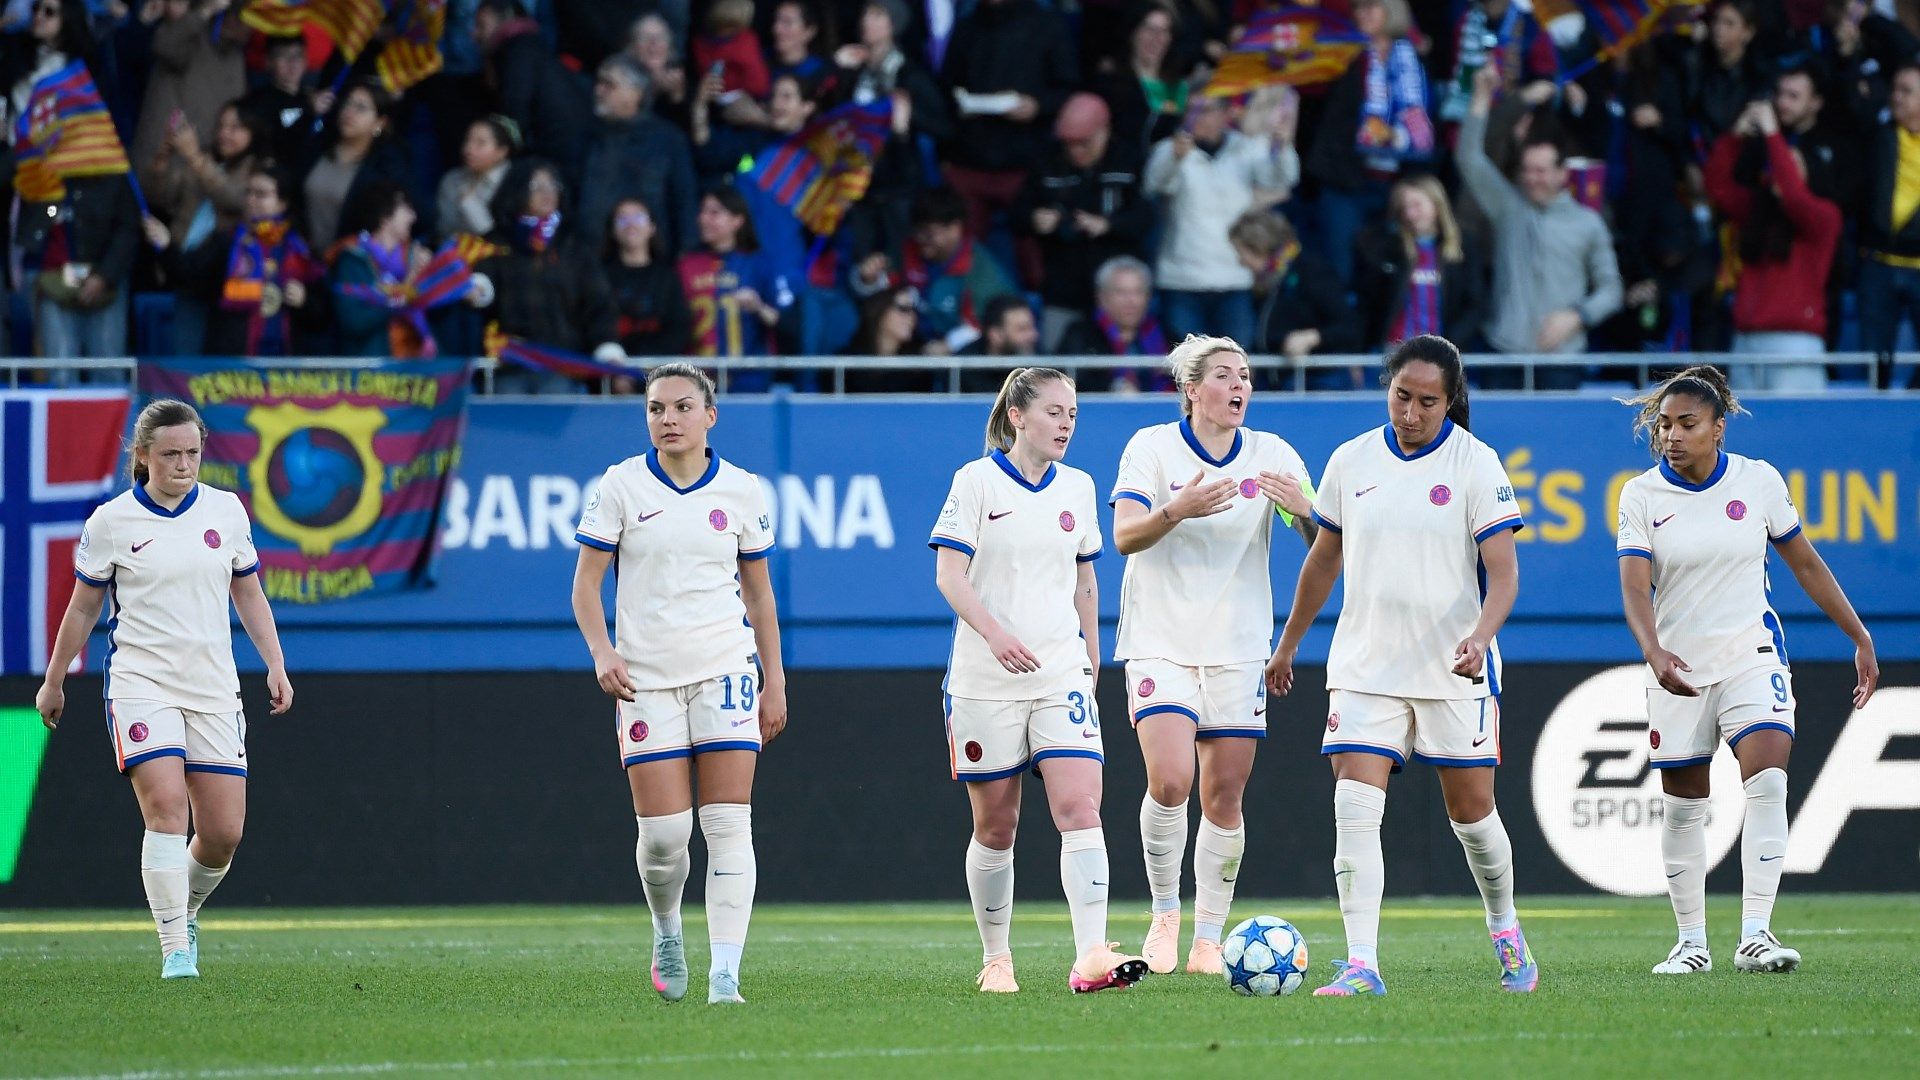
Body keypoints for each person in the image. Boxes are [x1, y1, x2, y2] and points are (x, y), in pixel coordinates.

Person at [1265, 334, 1537, 998]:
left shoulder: (1476, 464)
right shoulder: (1352, 459)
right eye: (1401, 397)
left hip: (1453, 667)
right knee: (1354, 806)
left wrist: (1481, 637)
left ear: (1450, 401)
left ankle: (1506, 931)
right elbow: (1323, 561)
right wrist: (1288, 642)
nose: (1411, 413)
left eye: (1427, 402)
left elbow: (1504, 575)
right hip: (1366, 666)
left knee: (1473, 817)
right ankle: (1363, 963)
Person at [1616, 365, 1877, 977]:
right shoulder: (1640, 495)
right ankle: (1691, 943)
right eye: (1665, 425)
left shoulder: (1758, 482)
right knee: (1684, 805)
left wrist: (1859, 635)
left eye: (1687, 424)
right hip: (1678, 666)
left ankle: (1756, 934)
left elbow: (1805, 563)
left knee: (1768, 780)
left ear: (1718, 428)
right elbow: (1633, 586)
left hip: (1750, 656)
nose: (1672, 436)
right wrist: (1654, 652)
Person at [37, 398, 293, 980]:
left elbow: (248, 593)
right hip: (141, 681)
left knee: (223, 834)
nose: (183, 464)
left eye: (192, 453)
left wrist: (275, 664)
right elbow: (83, 607)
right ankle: (175, 949)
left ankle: (187, 909)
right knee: (166, 809)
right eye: (171, 454)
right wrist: (54, 679)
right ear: (144, 455)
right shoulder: (112, 522)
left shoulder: (226, 511)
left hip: (212, 685)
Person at [570, 363, 788, 1006]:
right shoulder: (621, 484)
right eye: (656, 409)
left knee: (728, 825)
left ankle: (726, 975)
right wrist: (603, 652)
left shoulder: (743, 489)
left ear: (710, 416)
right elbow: (585, 584)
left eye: (682, 407)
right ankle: (667, 930)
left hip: (726, 671)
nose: (668, 419)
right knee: (665, 838)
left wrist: (774, 679)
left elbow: (759, 593)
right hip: (646, 681)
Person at [931, 366, 1146, 995]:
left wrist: (1091, 653)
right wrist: (995, 636)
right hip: (985, 679)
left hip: (1060, 674)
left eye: (1073, 414)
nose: (1066, 424)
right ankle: (996, 958)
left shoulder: (1078, 487)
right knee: (996, 826)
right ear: (1018, 416)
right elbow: (949, 575)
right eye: (1054, 412)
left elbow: (1084, 577)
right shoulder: (975, 481)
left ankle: (1091, 956)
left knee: (1080, 807)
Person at [1109, 334, 1316, 978]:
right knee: (1171, 781)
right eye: (1225, 375)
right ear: (1192, 389)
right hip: (1160, 640)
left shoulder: (1272, 453)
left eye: (1246, 376)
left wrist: (1307, 513)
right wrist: (1176, 510)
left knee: (1224, 795)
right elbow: (1124, 536)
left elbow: (1324, 543)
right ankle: (1164, 914)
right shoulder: (1151, 447)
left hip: (1238, 645)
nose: (1239, 386)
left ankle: (1207, 937)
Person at [1456, 66, 1622, 390]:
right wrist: (1480, 97)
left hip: (1561, 360)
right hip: (1503, 355)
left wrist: (1578, 317)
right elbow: (1469, 158)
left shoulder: (1588, 222)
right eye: (1527, 170)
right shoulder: (1507, 206)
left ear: (1562, 173)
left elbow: (1611, 290)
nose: (1532, 178)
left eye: (1542, 171)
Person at [1703, 101, 1840, 390]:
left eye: (1790, 163)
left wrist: (1771, 133)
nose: (1781, 170)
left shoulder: (1823, 217)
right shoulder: (1756, 212)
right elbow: (1717, 185)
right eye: (1778, 163)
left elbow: (1793, 196)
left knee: (1796, 421)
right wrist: (1735, 138)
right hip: (1745, 342)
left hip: (1795, 343)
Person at [1144, 88, 1298, 346]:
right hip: (1182, 280)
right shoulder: (1170, 148)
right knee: (1189, 362)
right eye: (1190, 111)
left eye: (1204, 111)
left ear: (1226, 113)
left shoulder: (1247, 147)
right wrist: (1174, 158)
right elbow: (1153, 185)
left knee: (1237, 359)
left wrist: (1281, 147)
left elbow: (1279, 179)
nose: (1195, 118)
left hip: (1235, 278)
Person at [1304, 0, 1433, 286]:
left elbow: (1424, 116)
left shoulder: (1412, 57)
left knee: (1384, 274)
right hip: (1343, 180)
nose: (1361, 14)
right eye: (1358, 8)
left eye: (1370, 7)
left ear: (1391, 10)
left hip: (1396, 184)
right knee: (1340, 272)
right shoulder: (1344, 54)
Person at [1014, 92, 1153, 340]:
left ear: (1104, 132)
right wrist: (1036, 219)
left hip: (1115, 293)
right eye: (1069, 144)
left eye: (1084, 143)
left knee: (1121, 360)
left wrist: (1108, 225)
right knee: (1056, 357)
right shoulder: (1047, 162)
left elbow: (1146, 217)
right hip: (1063, 288)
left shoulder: (1129, 161)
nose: (1076, 150)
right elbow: (1017, 213)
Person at [478, 160, 623, 393]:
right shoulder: (493, 243)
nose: (547, 193)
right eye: (536, 186)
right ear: (517, 190)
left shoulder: (574, 246)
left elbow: (599, 303)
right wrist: (478, 289)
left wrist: (607, 346)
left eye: (553, 185)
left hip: (562, 364)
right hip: (507, 365)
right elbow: (482, 293)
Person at [580, 53, 701, 257]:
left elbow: (683, 201)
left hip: (652, 262)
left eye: (609, 85)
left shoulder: (668, 139)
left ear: (636, 93)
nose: (598, 91)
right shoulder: (586, 136)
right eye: (599, 83)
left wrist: (686, 254)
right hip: (591, 260)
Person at [1228, 211, 1362, 388]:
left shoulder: (1311, 271)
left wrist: (1312, 337)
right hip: (1277, 380)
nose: (1241, 262)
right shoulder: (1268, 281)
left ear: (1259, 246)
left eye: (1242, 253)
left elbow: (1349, 326)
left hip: (1318, 380)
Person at [1353, 174, 1487, 352]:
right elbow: (1368, 303)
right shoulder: (1390, 248)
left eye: (1417, 205)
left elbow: (1475, 304)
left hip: (1442, 351)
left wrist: (1450, 344)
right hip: (1396, 350)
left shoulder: (1464, 246)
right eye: (1404, 207)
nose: (1410, 214)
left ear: (1437, 205)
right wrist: (1358, 349)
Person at [301, 81, 416, 251]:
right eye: (347, 103)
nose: (349, 112)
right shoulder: (318, 147)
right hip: (301, 258)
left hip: (351, 259)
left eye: (361, 108)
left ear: (380, 123)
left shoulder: (387, 167)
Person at [1055, 255, 1169, 392]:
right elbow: (1064, 382)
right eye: (1121, 292)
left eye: (1138, 292)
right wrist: (1112, 388)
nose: (1131, 301)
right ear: (1101, 297)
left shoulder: (1166, 335)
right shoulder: (1081, 334)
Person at [604, 197, 692, 365]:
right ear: (613, 230)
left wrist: (648, 366)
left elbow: (678, 328)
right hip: (612, 369)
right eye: (622, 219)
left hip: (658, 369)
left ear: (652, 228)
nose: (631, 224)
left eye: (638, 217)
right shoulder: (600, 276)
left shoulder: (668, 277)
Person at [436, 115, 519, 242]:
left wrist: (470, 205)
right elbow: (444, 230)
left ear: (502, 152)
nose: (468, 149)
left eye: (480, 143)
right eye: (467, 140)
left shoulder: (515, 182)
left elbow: (503, 237)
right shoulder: (452, 180)